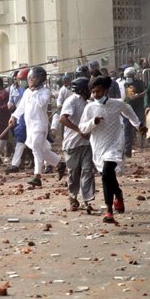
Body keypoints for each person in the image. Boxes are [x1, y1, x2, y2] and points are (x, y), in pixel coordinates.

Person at [79, 76, 146, 223]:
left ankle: (109, 211)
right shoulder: (90, 108)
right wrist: (93, 122)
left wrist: (139, 125)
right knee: (109, 176)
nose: (96, 95)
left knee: (106, 175)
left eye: (98, 91)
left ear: (106, 90)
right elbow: (82, 128)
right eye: (93, 92)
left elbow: (130, 113)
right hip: (98, 146)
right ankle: (119, 194)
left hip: (115, 144)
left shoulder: (117, 104)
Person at [10, 66, 65, 187]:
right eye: (29, 78)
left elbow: (42, 103)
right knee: (42, 150)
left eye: (33, 78)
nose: (30, 80)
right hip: (30, 126)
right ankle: (60, 164)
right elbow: (21, 107)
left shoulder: (45, 92)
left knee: (35, 147)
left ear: (40, 79)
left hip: (40, 125)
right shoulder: (27, 92)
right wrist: (13, 116)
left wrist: (34, 91)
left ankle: (37, 176)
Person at [59, 77, 95, 211]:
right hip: (72, 143)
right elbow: (63, 119)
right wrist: (78, 130)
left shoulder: (89, 103)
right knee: (74, 173)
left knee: (87, 171)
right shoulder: (72, 101)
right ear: (82, 90)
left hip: (86, 143)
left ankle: (87, 199)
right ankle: (73, 196)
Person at [122, 67, 146, 157]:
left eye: (130, 75)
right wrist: (138, 94)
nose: (128, 77)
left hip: (138, 107)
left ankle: (145, 144)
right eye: (127, 75)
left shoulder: (139, 83)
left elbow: (144, 91)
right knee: (127, 129)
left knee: (141, 125)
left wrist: (139, 94)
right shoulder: (126, 84)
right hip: (128, 108)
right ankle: (127, 150)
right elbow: (131, 96)